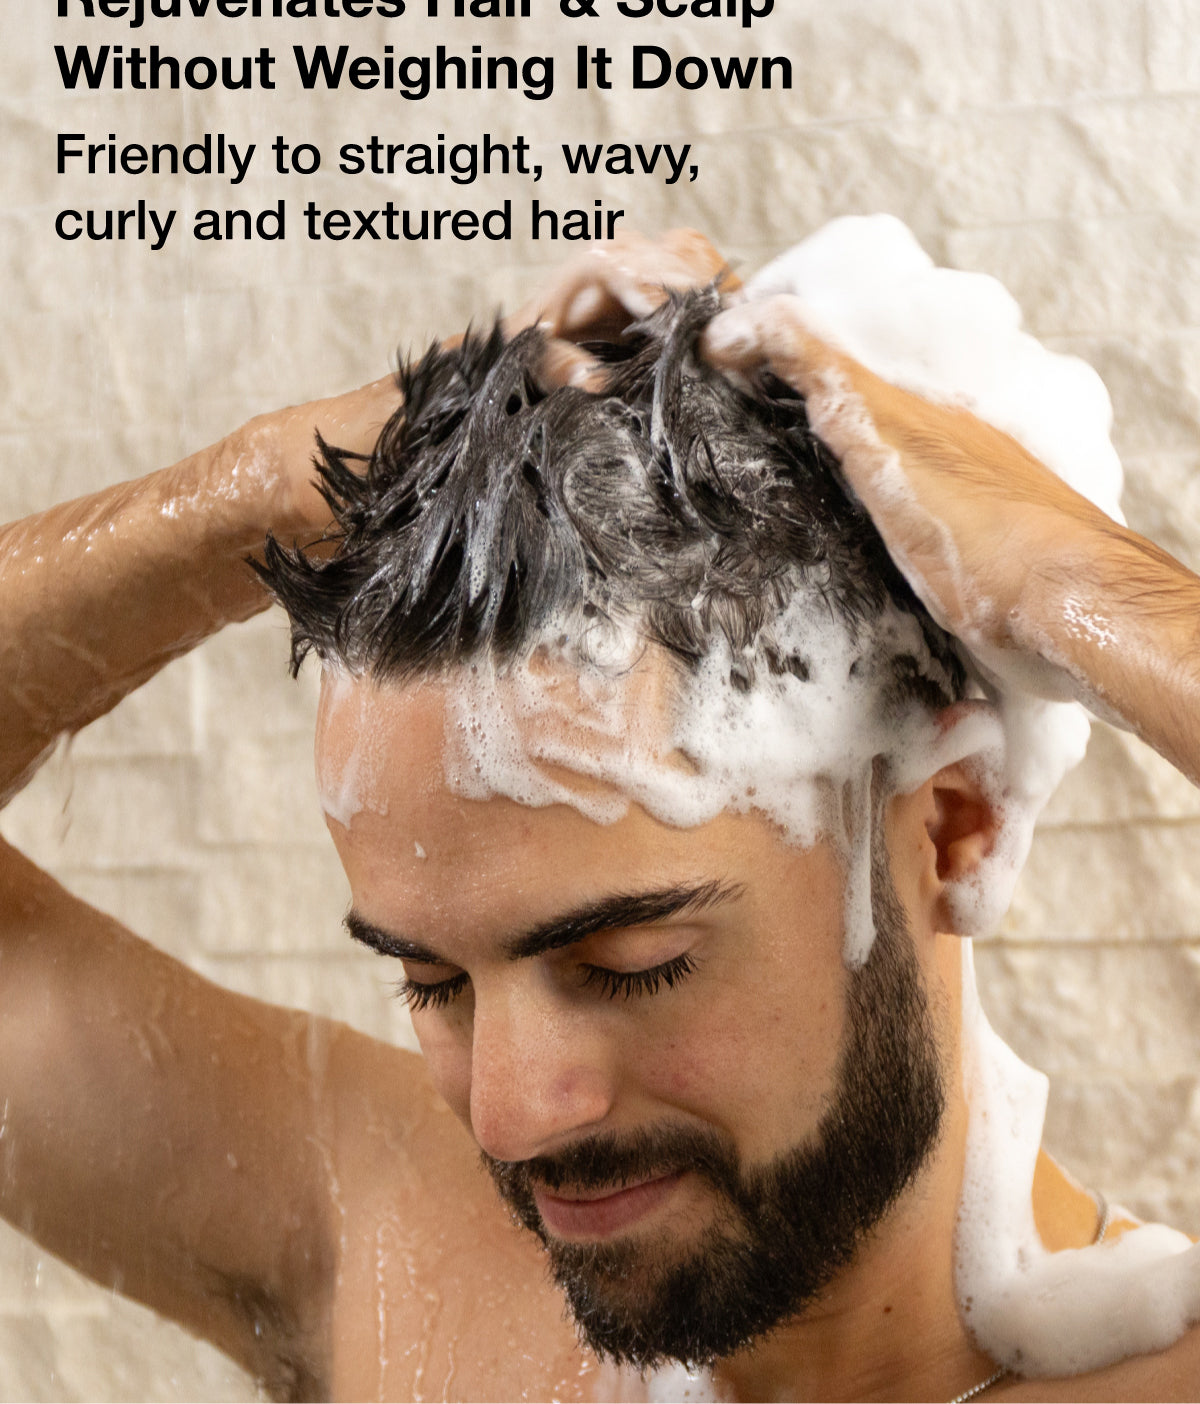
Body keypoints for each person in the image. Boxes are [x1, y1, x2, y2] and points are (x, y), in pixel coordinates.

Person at [0, 230, 1196, 1402]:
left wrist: (1075, 584)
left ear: (955, 828)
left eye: (629, 964)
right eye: (432, 983)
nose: (512, 1119)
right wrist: (265, 486)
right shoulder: (390, 1257)